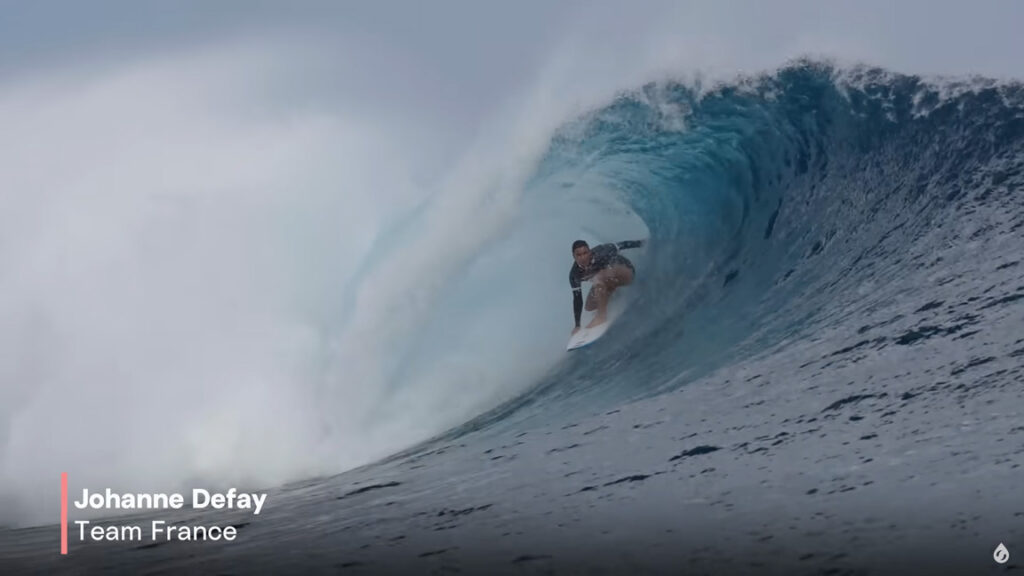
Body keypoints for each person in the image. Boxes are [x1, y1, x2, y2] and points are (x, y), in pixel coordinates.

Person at [569, 239, 645, 333]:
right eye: (579, 255)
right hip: (608, 281)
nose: (583, 257)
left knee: (598, 278)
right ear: (573, 256)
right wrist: (577, 325)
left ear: (590, 252)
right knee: (590, 306)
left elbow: (623, 244)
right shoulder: (574, 275)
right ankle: (613, 294)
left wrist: (643, 243)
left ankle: (601, 317)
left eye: (585, 253)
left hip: (625, 272)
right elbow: (577, 299)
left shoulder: (602, 252)